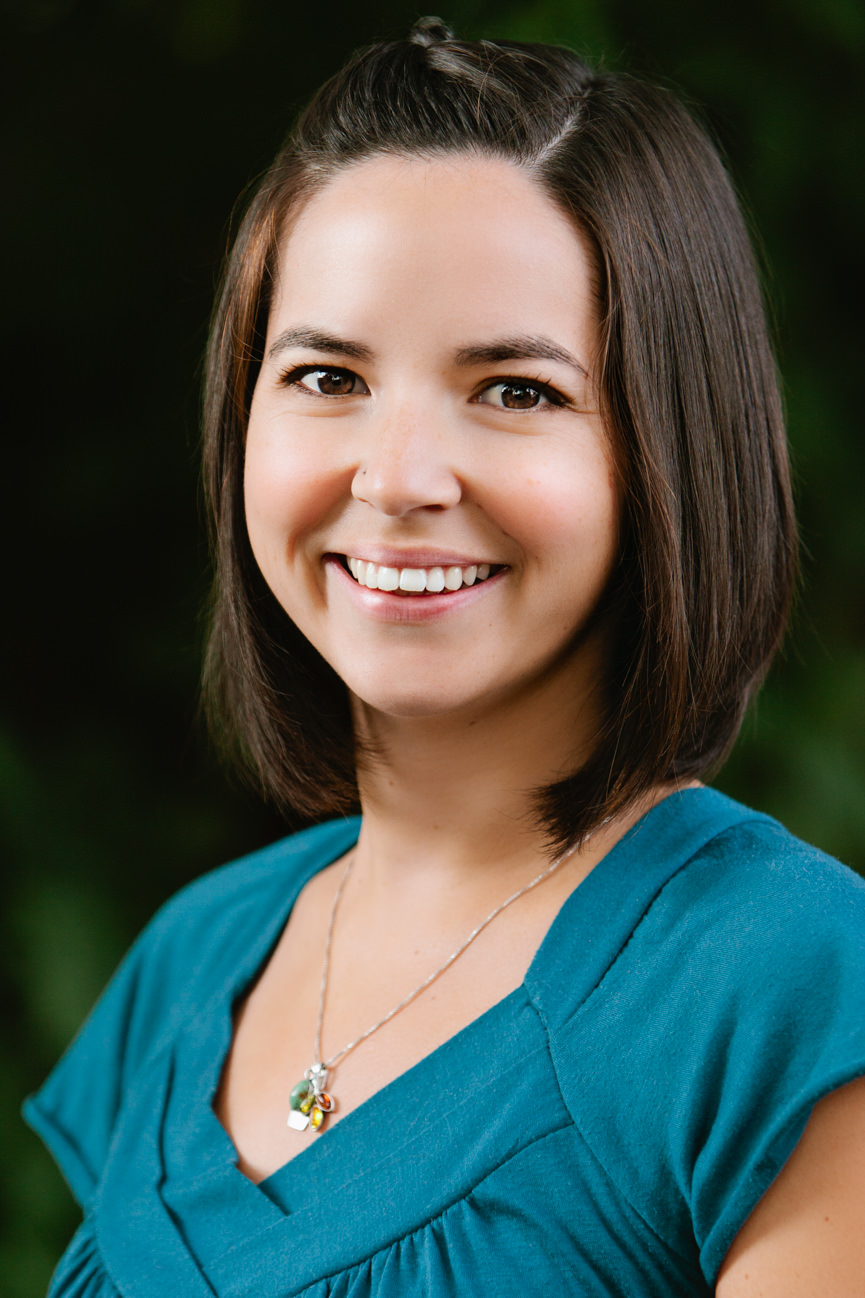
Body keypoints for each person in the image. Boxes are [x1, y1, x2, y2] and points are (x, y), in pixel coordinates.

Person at [24, 18, 865, 1297]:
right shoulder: (194, 959)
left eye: (515, 390)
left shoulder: (789, 990)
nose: (398, 476)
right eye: (324, 375)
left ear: (669, 451)